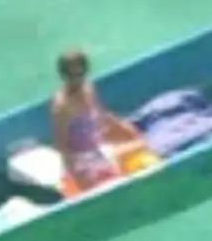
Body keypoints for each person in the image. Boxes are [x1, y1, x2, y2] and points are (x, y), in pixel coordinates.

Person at [51, 49, 148, 195]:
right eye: (72, 75)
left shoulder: (88, 89)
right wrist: (78, 177)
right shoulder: (62, 106)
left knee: (141, 145)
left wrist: (127, 129)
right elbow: (63, 146)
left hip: (97, 149)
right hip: (80, 160)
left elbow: (102, 115)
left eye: (80, 73)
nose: (77, 79)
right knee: (108, 188)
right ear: (64, 76)